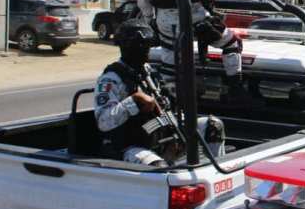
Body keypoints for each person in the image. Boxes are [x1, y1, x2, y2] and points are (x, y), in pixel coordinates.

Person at [96, 20, 226, 167]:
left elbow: (166, 106)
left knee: (213, 126)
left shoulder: (149, 72)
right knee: (159, 168)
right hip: (132, 146)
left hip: (163, 137)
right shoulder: (111, 79)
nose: (146, 49)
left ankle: (214, 171)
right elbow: (103, 122)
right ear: (125, 47)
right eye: (140, 45)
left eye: (147, 45)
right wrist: (134, 101)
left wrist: (178, 133)